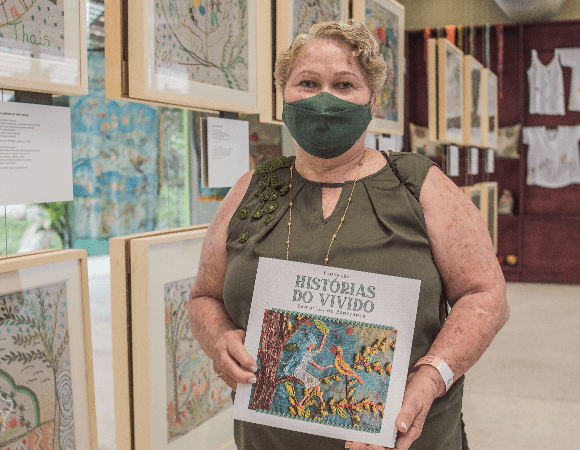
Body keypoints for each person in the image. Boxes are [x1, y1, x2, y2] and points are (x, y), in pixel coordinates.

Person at [187, 19, 509, 450]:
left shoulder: (418, 184)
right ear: (283, 95)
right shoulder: (250, 190)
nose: (324, 99)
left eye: (344, 84)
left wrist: (431, 377)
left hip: (406, 436)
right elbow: (203, 297)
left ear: (372, 101)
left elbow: (486, 295)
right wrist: (219, 339)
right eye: (307, 82)